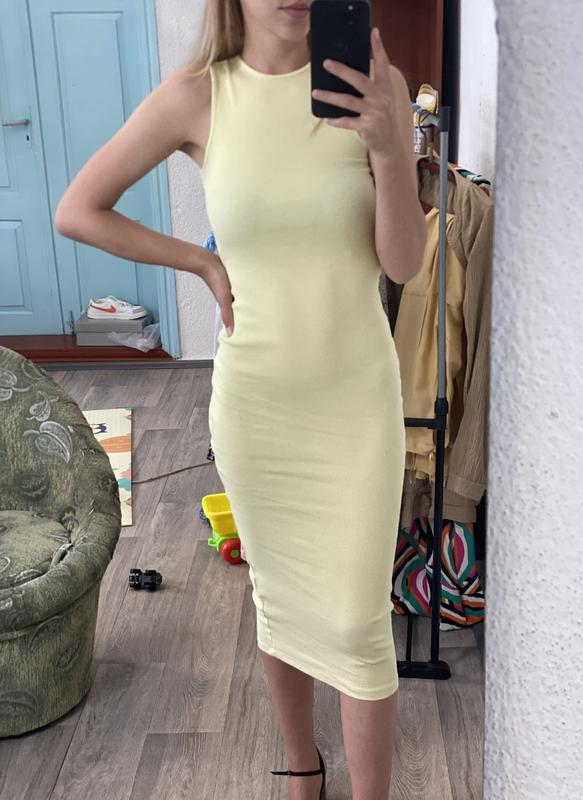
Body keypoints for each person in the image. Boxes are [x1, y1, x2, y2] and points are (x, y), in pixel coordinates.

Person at [54, 1, 427, 797]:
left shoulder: (375, 84)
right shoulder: (197, 96)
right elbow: (78, 210)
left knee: (359, 623)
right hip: (257, 405)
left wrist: (390, 148)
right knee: (278, 596)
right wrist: (198, 260)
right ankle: (302, 766)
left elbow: (402, 264)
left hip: (356, 404)